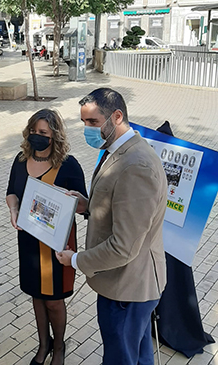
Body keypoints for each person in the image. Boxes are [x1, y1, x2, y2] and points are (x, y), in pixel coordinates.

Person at [56, 88, 167, 365]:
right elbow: (118, 205)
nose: (87, 130)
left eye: (93, 122)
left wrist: (77, 260)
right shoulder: (118, 150)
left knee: (120, 358)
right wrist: (88, 205)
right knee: (137, 356)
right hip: (123, 285)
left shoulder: (136, 165)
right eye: (83, 123)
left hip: (128, 288)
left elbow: (124, 246)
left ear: (117, 117)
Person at [6, 109, 87, 365]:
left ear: (55, 135)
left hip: (56, 245)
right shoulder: (20, 160)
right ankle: (43, 345)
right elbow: (11, 192)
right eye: (33, 131)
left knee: (53, 301)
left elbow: (86, 206)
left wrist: (79, 201)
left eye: (43, 132)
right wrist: (14, 209)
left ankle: (59, 347)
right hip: (29, 241)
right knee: (37, 297)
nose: (36, 136)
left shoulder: (69, 164)